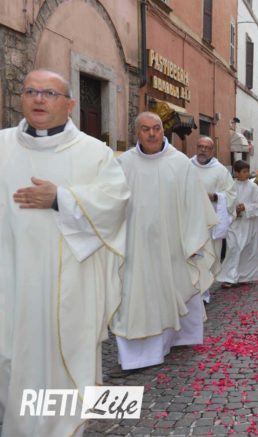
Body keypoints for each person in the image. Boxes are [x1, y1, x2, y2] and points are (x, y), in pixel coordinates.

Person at [0, 69, 130, 437]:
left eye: (49, 93)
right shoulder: (2, 146)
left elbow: (116, 202)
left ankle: (62, 428)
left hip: (70, 283)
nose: (39, 99)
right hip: (10, 276)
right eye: (31, 91)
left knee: (64, 358)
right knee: (11, 357)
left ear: (70, 104)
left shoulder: (94, 153)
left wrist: (61, 198)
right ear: (21, 98)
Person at [111, 112, 218, 372]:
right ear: (137, 132)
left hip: (173, 243)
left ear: (162, 130)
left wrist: (192, 240)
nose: (152, 134)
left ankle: (176, 338)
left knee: (175, 287)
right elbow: (110, 202)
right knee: (136, 296)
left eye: (156, 128)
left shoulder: (180, 163)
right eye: (145, 129)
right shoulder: (123, 163)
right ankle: (138, 356)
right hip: (135, 245)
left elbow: (194, 204)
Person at [190, 136, 236, 301]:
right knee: (191, 255)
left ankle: (204, 293)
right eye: (200, 146)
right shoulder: (187, 166)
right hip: (190, 220)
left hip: (211, 222)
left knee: (208, 256)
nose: (203, 150)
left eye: (207, 147)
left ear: (212, 150)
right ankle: (191, 290)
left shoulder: (221, 171)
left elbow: (231, 194)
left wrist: (216, 196)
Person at [216, 160, 258, 287]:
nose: (247, 174)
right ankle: (229, 277)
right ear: (236, 173)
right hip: (234, 223)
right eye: (244, 172)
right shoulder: (231, 186)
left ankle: (244, 276)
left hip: (248, 224)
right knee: (233, 248)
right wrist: (235, 211)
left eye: (247, 171)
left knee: (247, 250)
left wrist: (246, 207)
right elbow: (225, 203)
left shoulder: (253, 187)